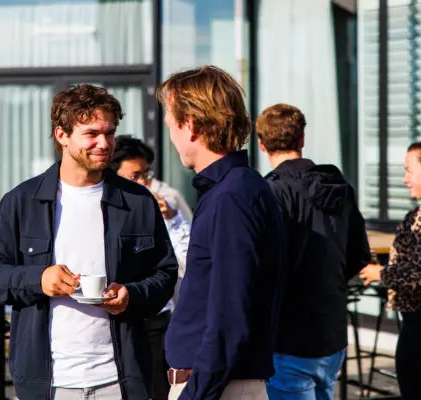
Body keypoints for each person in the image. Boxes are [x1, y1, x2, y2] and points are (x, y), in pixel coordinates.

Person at [0, 84, 178, 400]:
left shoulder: (138, 202)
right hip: (50, 383)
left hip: (122, 381)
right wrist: (39, 280)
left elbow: (165, 274)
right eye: (92, 134)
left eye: (109, 133)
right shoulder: (21, 202)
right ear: (62, 135)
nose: (104, 143)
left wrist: (132, 295)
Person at [158, 65, 286, 400]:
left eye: (171, 124)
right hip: (218, 385)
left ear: (191, 125)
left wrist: (195, 394)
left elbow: (230, 315)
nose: (171, 136)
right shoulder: (231, 188)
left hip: (219, 388)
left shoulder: (232, 194)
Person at [256, 103, 371, 400]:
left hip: (289, 337)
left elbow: (261, 266)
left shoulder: (269, 191)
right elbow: (359, 254)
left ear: (261, 144)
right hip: (331, 331)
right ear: (302, 139)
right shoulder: (340, 186)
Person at [110, 134, 191, 400]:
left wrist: (172, 218)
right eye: (135, 176)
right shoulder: (106, 211)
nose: (145, 182)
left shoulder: (161, 205)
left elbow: (189, 261)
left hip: (158, 318)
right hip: (115, 320)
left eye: (146, 174)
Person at [360, 142, 421, 400]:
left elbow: (417, 273)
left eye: (409, 170)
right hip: (412, 323)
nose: (405, 179)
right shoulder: (413, 216)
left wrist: (381, 274)